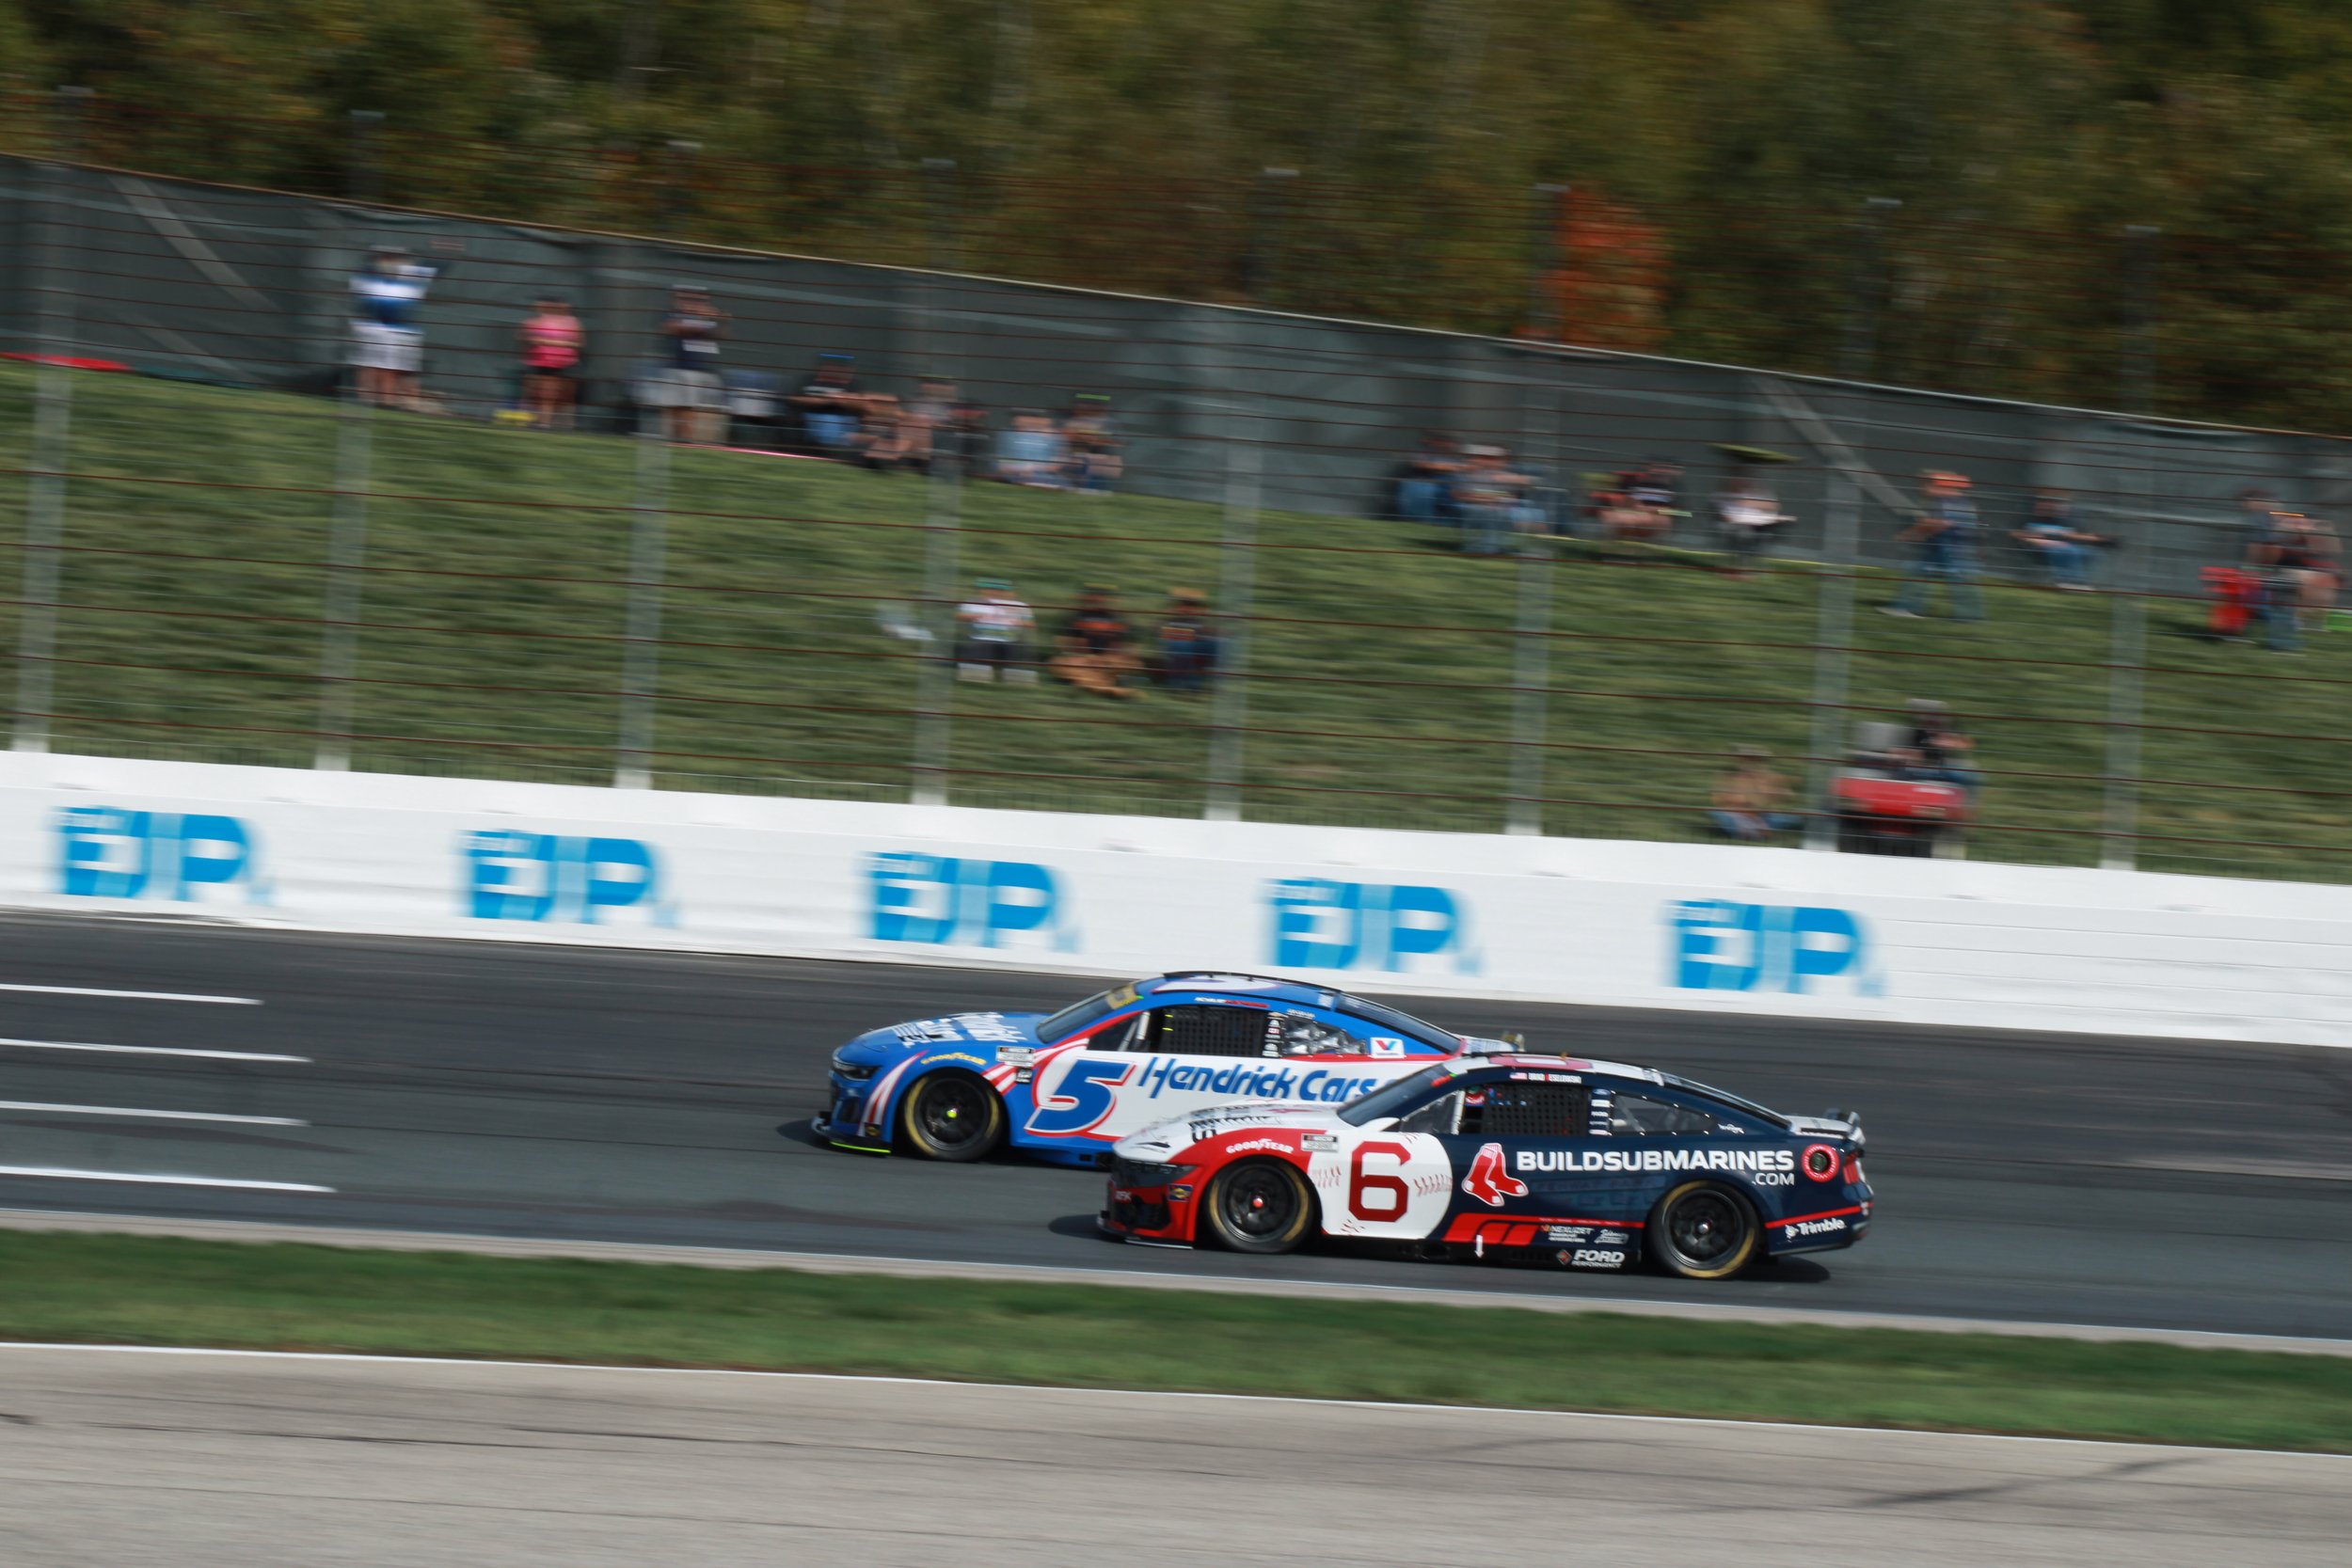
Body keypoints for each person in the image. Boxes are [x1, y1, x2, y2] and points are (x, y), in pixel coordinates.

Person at [348, 243, 451, 411]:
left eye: (396, 258)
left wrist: (447, 251)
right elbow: (369, 302)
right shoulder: (366, 275)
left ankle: (391, 402)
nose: (392, 261)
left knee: (397, 371)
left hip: (403, 331)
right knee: (370, 367)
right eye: (387, 257)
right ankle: (369, 399)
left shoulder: (415, 274)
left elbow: (442, 265)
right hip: (372, 329)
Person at [1883, 469, 1984, 622]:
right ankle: (1970, 616)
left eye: (1926, 484)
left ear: (1941, 486)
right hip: (1951, 548)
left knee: (1954, 582)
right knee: (1924, 575)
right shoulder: (1962, 502)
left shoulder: (1945, 502)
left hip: (1949, 549)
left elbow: (1938, 523)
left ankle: (1970, 617)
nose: (1922, 488)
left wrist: (1910, 534)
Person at [659, 286, 727, 442]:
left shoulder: (709, 316)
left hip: (704, 369)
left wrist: (719, 320)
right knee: (675, 407)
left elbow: (722, 334)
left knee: (696, 409)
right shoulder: (674, 314)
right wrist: (700, 321)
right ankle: (674, 440)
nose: (693, 303)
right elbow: (672, 328)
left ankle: (690, 442)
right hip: (680, 368)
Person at [1049, 584, 1143, 698]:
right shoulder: (1075, 616)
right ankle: (1107, 689)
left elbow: (1128, 646)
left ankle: (1095, 685)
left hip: (1110, 661)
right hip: (1083, 660)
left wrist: (1107, 659)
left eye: (1102, 596)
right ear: (1086, 597)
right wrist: (1088, 658)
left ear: (1109, 599)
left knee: (1132, 664)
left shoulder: (1120, 619)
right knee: (1059, 663)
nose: (1097, 599)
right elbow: (1063, 641)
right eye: (1093, 595)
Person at [2012, 488, 2104, 591]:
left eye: (2055, 502)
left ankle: (2075, 582)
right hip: (2040, 550)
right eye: (2045, 501)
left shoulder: (2064, 520)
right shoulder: (2030, 517)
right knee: (2066, 550)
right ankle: (2071, 582)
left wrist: (2098, 539)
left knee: (2090, 552)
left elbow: (2074, 535)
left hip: (2067, 548)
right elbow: (2017, 534)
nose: (2050, 504)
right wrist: (2048, 542)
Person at [516, 297, 583, 430]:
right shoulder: (533, 321)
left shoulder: (572, 322)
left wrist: (552, 342)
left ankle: (552, 423)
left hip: (563, 363)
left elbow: (578, 342)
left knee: (554, 395)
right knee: (536, 392)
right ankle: (534, 421)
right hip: (539, 361)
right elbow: (524, 337)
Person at [1707, 746, 1801, 841]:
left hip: (1761, 816)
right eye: (1747, 759)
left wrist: (1776, 792)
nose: (1751, 763)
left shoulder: (1766, 777)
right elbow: (1719, 799)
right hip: (1736, 815)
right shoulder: (1729, 776)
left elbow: (1787, 796)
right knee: (1719, 817)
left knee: (1793, 819)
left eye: (1755, 760)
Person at [953, 578, 1037, 683]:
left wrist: (1019, 622)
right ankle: (975, 679)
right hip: (980, 638)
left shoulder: (1020, 605)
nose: (996, 593)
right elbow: (959, 616)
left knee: (1019, 649)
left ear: (1010, 593)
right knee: (980, 648)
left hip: (1010, 639)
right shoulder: (973, 602)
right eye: (991, 590)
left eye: (1001, 591)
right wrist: (975, 615)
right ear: (984, 591)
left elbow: (1031, 624)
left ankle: (1018, 681)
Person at [1452, 445, 1529, 556]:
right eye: (1486, 457)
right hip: (1471, 506)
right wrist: (1488, 500)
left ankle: (1491, 546)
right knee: (1494, 513)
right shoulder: (1466, 474)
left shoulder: (1508, 477)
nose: (1490, 462)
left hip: (1501, 507)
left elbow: (1513, 496)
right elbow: (1459, 495)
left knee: (1504, 513)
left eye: (1497, 459)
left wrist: (1498, 500)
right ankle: (1486, 548)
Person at [1713, 469, 1788, 576]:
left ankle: (1749, 560)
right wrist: (1751, 504)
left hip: (1760, 525)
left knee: (1776, 530)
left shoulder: (1762, 493)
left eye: (1750, 479)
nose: (1749, 482)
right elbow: (1725, 515)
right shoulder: (1723, 494)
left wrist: (1751, 503)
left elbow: (1775, 506)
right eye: (1741, 479)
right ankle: (1742, 564)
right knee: (1745, 533)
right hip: (1737, 526)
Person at [1903, 699, 1980, 795]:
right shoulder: (1917, 732)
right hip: (1924, 768)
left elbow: (1966, 743)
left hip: (1940, 767)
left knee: (1972, 776)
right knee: (1958, 776)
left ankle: (1965, 804)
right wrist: (1932, 745)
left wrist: (1950, 743)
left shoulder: (1943, 731)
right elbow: (1914, 755)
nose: (1935, 719)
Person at [793, 353, 866, 453]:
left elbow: (862, 403)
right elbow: (796, 398)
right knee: (829, 421)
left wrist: (842, 400)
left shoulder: (853, 384)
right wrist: (827, 400)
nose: (834, 368)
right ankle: (829, 453)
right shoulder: (808, 379)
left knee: (837, 423)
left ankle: (834, 452)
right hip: (813, 416)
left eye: (839, 366)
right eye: (830, 364)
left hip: (846, 419)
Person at [1151, 589, 1219, 691]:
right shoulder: (1167, 621)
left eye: (1193, 605)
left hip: (1196, 653)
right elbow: (1162, 635)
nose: (1188, 609)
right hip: (1175, 654)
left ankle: (1210, 684)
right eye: (1183, 604)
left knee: (1217, 644)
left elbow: (1209, 637)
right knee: (1182, 645)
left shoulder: (1200, 623)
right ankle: (1182, 686)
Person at [1395, 433, 1464, 526]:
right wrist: (1451, 468)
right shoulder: (1420, 454)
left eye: (1445, 441)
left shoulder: (1453, 458)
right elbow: (1422, 465)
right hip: (1424, 486)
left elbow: (1459, 473)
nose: (1442, 444)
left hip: (1448, 487)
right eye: (1439, 441)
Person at [1062, 394, 1123, 493]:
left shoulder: (1109, 423)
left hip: (1099, 458)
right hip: (1074, 456)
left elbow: (1113, 443)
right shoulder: (1072, 420)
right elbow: (1067, 436)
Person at [998, 410, 1069, 487]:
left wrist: (1034, 468)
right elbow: (1002, 465)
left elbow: (1057, 464)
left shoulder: (1055, 437)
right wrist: (1021, 470)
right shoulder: (1008, 435)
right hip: (1014, 477)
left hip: (1043, 477)